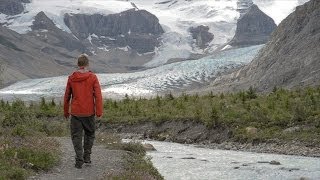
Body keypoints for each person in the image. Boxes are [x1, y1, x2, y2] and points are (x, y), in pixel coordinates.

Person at [63, 54, 103, 169]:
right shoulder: (93, 77)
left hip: (75, 113)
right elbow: (98, 96)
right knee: (89, 134)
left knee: (76, 136)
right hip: (89, 112)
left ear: (78, 64)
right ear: (87, 64)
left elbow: (67, 96)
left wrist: (66, 111)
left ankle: (79, 159)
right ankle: (87, 157)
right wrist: (99, 112)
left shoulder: (71, 78)